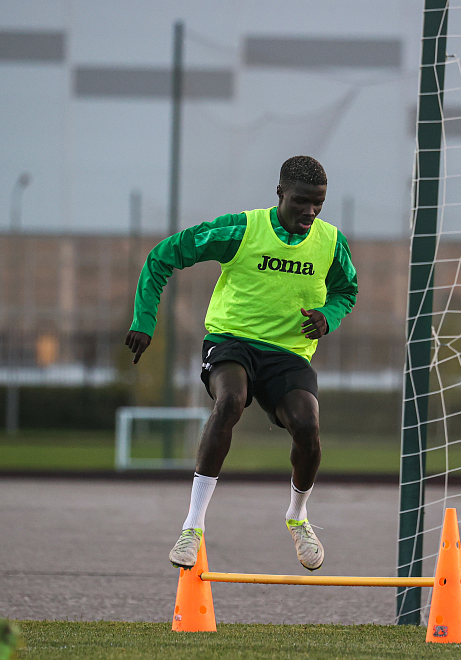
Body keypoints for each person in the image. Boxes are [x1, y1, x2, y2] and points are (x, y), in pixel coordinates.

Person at [125, 156, 357, 572]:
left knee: (308, 426)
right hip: (231, 341)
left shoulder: (331, 242)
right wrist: (144, 320)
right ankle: (192, 526)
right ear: (280, 193)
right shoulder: (242, 230)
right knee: (230, 400)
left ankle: (298, 516)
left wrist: (329, 316)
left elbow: (346, 291)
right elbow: (161, 256)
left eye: (318, 204)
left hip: (288, 354)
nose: (310, 212)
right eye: (301, 201)